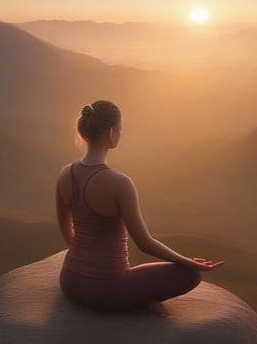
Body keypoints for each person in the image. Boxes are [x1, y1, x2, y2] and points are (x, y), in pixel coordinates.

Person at [56, 99, 226, 317]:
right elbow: (144, 243)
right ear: (111, 133)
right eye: (120, 129)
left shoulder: (64, 173)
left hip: (69, 281)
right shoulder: (119, 183)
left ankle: (134, 295)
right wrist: (190, 262)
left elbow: (66, 231)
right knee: (190, 276)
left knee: (131, 273)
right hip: (104, 291)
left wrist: (85, 262)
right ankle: (137, 299)